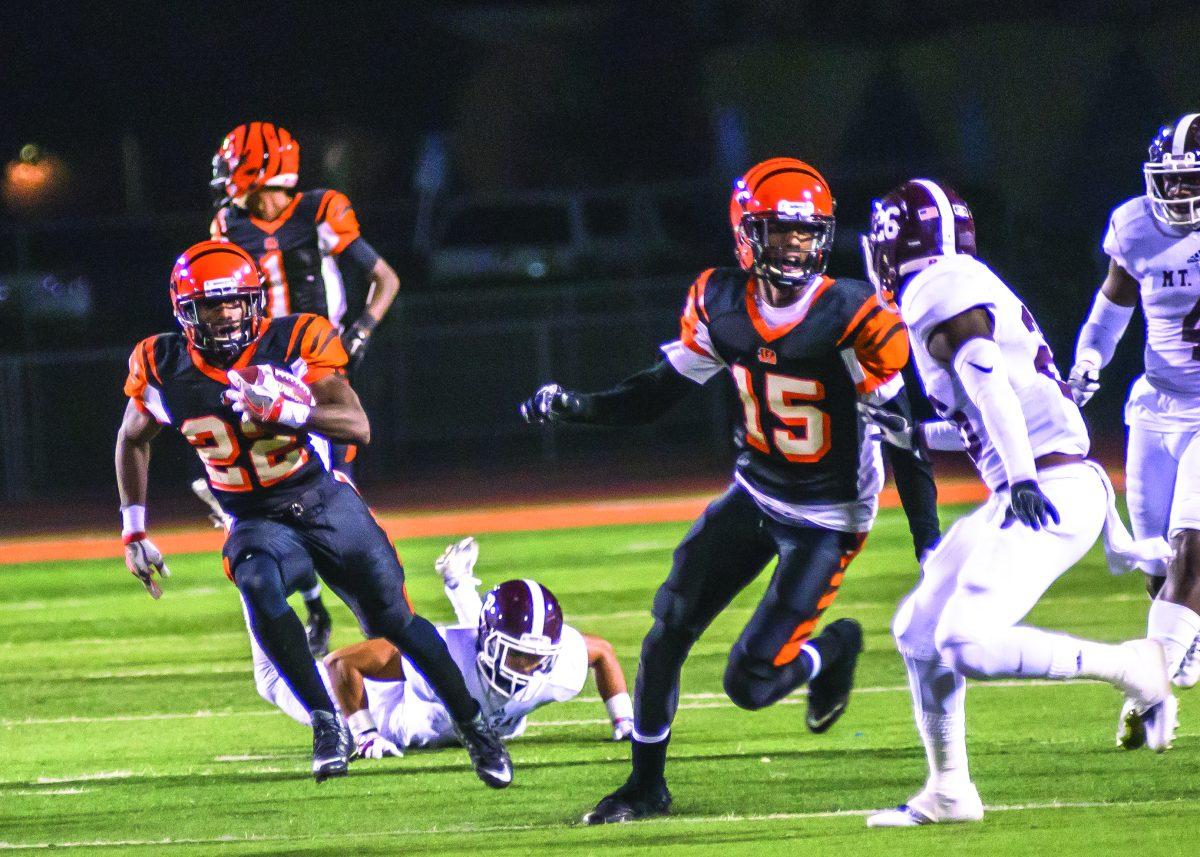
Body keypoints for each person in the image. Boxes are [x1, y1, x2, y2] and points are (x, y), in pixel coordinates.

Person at [520, 158, 941, 824]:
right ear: (749, 235)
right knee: (666, 629)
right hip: (755, 491)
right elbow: (657, 393)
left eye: (808, 234)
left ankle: (832, 649)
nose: (797, 248)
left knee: (747, 683)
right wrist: (579, 405)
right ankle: (646, 786)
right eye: (782, 234)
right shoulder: (719, 301)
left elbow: (902, 437)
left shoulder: (853, 312)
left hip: (829, 516)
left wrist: (931, 546)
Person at [115, 240, 510, 787]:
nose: (227, 313)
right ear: (186, 311)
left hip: (322, 500)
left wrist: (290, 409)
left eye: (236, 301)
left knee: (396, 624)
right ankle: (328, 724)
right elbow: (132, 438)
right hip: (255, 516)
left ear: (254, 300)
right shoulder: (162, 365)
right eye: (213, 304)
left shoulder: (295, 340)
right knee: (255, 578)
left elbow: (358, 426)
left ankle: (474, 728)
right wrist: (134, 529)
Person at [860, 178, 1172, 828]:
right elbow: (985, 413)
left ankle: (1133, 667)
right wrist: (916, 434)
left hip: (1048, 488)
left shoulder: (935, 287)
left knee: (965, 639)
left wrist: (1023, 477)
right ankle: (950, 790)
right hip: (1048, 481)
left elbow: (985, 373)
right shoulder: (965, 281)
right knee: (918, 631)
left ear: (897, 242)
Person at [1067, 114, 1200, 749]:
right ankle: (1180, 646)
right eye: (1169, 182)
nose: (1176, 195)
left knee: (1190, 551)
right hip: (1156, 404)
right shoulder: (1136, 226)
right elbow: (1112, 305)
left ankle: (1150, 700)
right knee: (1157, 563)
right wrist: (1089, 359)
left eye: (1189, 182)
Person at [249, 537, 635, 755]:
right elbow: (340, 664)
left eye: (536, 658)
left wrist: (623, 720)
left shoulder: (560, 663)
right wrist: (365, 733)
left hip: (458, 689)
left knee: (470, 660)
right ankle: (256, 560)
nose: (525, 668)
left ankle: (458, 581)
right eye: (517, 654)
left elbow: (601, 652)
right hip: (395, 710)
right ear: (492, 645)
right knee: (272, 680)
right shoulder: (445, 653)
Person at [209, 121, 400, 478]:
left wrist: (361, 331)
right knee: (269, 470)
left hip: (317, 359)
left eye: (231, 164)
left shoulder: (319, 209)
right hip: (263, 360)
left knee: (337, 467)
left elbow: (385, 278)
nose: (224, 176)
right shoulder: (227, 225)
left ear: (257, 166)